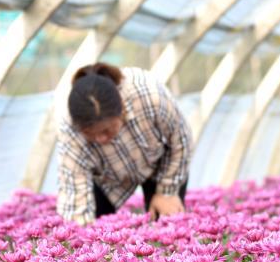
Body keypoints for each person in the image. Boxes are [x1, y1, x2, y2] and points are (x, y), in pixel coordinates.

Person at [56, 62, 192, 225]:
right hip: (108, 177)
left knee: (166, 223)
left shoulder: (148, 94)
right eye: (91, 134)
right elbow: (74, 188)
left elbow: (181, 140)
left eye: (107, 130)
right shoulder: (70, 128)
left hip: (159, 162)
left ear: (121, 110)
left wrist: (166, 192)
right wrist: (76, 235)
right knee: (96, 232)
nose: (100, 139)